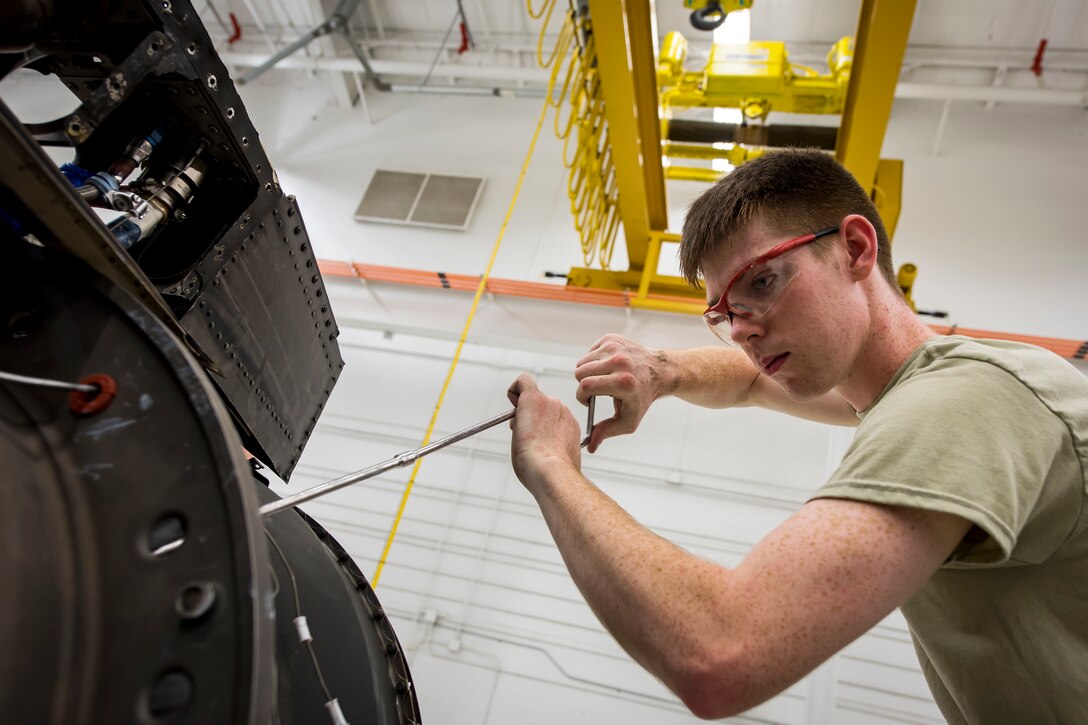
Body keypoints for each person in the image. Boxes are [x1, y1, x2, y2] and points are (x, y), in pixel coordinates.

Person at [507, 149, 1088, 723]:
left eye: (762, 281)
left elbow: (719, 652)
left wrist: (551, 464)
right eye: (725, 312)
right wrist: (662, 370)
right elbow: (750, 383)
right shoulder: (908, 392)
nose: (740, 331)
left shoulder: (963, 401)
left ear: (855, 249)